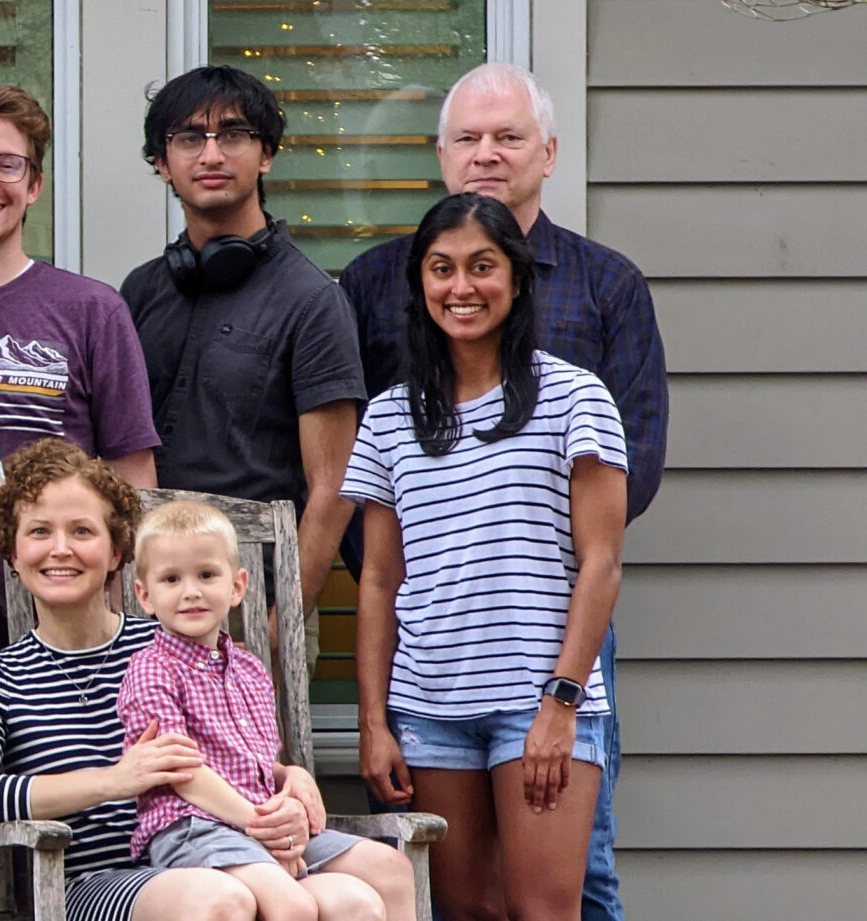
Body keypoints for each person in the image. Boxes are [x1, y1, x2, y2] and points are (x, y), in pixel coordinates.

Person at [338, 66, 662, 920]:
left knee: (550, 907)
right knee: (462, 913)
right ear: (419, 283)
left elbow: (602, 559)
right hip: (432, 703)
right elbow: (376, 577)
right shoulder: (388, 417)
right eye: (441, 268)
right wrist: (375, 718)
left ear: (516, 279)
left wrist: (561, 702)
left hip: (539, 694)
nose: (461, 286)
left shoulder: (573, 394)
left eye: (483, 266)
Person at [0, 439, 409, 921]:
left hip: (225, 842)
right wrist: (112, 781)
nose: (61, 549)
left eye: (82, 530)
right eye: (39, 531)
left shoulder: (180, 642)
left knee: (356, 897)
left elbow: (233, 748)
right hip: (92, 880)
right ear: (12, 552)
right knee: (220, 900)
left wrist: (289, 779)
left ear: (117, 550)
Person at [119, 65, 365, 658]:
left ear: (266, 156)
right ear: (161, 162)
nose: (211, 153)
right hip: (143, 602)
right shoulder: (139, 292)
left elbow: (333, 487)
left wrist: (280, 626)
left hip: (251, 601)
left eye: (233, 134)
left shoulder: (312, 300)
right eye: (188, 138)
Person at [117, 501, 409, 921]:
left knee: (390, 868)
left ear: (237, 587)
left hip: (258, 820)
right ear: (145, 595)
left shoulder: (249, 668)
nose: (191, 591)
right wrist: (263, 826)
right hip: (193, 828)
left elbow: (255, 761)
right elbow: (182, 774)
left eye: (206, 575)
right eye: (171, 579)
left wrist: (292, 778)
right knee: (292, 906)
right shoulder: (151, 670)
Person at [0, 85, 161, 486]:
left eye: (8, 165)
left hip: (54, 549)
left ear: (34, 186)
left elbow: (132, 479)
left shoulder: (93, 310)